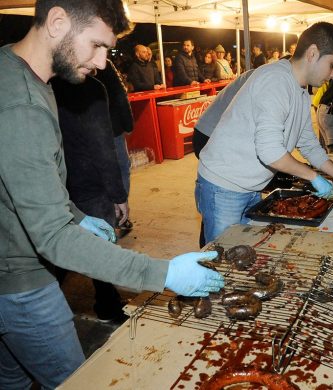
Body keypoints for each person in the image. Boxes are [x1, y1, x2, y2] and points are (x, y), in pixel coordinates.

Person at [0, 1, 224, 388]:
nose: (104, 63)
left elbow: (21, 180)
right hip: (20, 281)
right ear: (57, 21)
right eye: (97, 46)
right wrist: (162, 273)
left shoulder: (15, 70)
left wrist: (73, 212)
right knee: (78, 381)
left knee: (14, 380)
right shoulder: (22, 103)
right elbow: (52, 238)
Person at [196, 22, 333, 244]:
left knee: (242, 251)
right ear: (313, 53)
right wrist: (313, 177)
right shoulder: (276, 81)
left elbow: (310, 147)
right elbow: (270, 152)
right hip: (223, 185)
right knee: (222, 258)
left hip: (249, 185)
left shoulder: (300, 91)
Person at [51, 74, 130, 323]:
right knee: (101, 246)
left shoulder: (43, 81)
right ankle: (108, 306)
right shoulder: (90, 88)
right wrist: (118, 194)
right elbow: (102, 144)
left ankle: (46, 301)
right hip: (88, 183)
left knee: (58, 244)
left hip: (57, 180)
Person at [193, 69, 255, 248]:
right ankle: (207, 243)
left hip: (220, 132)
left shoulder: (269, 76)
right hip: (208, 133)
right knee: (216, 187)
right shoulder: (263, 78)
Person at [91, 59, 134, 236]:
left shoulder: (103, 64)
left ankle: (115, 212)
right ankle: (117, 212)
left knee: (113, 168)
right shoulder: (104, 64)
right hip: (107, 127)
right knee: (119, 167)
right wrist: (128, 123)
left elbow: (119, 93)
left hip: (103, 127)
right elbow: (119, 93)